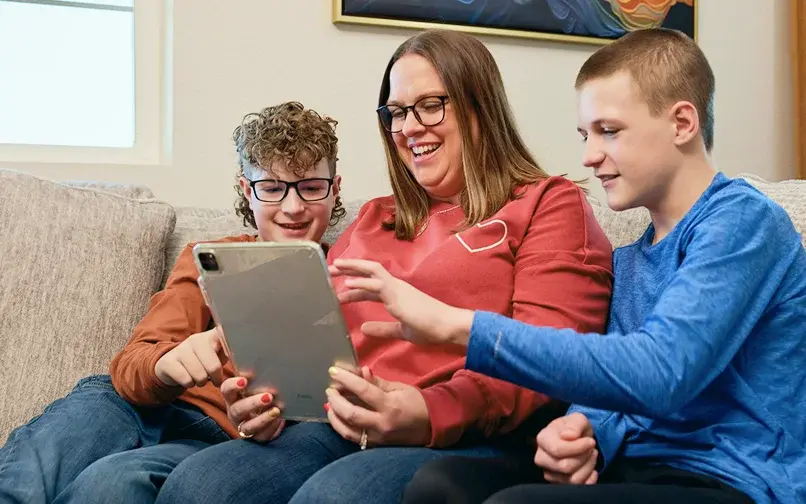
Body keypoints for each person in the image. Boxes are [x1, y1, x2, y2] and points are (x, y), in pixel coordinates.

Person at [331, 28, 806, 504]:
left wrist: (459, 327)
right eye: (585, 135)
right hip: (635, 468)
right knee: (441, 486)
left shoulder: (744, 221)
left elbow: (661, 372)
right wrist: (585, 432)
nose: (588, 156)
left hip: (733, 479)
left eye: (609, 131)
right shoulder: (634, 259)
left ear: (682, 123)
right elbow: (612, 382)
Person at [152, 29, 614, 504]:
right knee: (199, 486)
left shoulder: (548, 205)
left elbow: (553, 358)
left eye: (430, 105)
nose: (409, 127)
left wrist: (428, 410)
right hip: (342, 423)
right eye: (396, 112)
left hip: (475, 435)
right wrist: (270, 402)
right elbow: (316, 345)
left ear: (479, 107)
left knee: (334, 497)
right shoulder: (374, 217)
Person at [0, 101, 347, 504]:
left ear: (334, 189)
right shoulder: (207, 256)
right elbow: (132, 365)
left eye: (310, 187)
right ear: (245, 190)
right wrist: (168, 362)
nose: (292, 207)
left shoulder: (348, 277)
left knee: (114, 484)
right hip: (130, 404)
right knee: (33, 472)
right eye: (271, 188)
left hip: (214, 440)